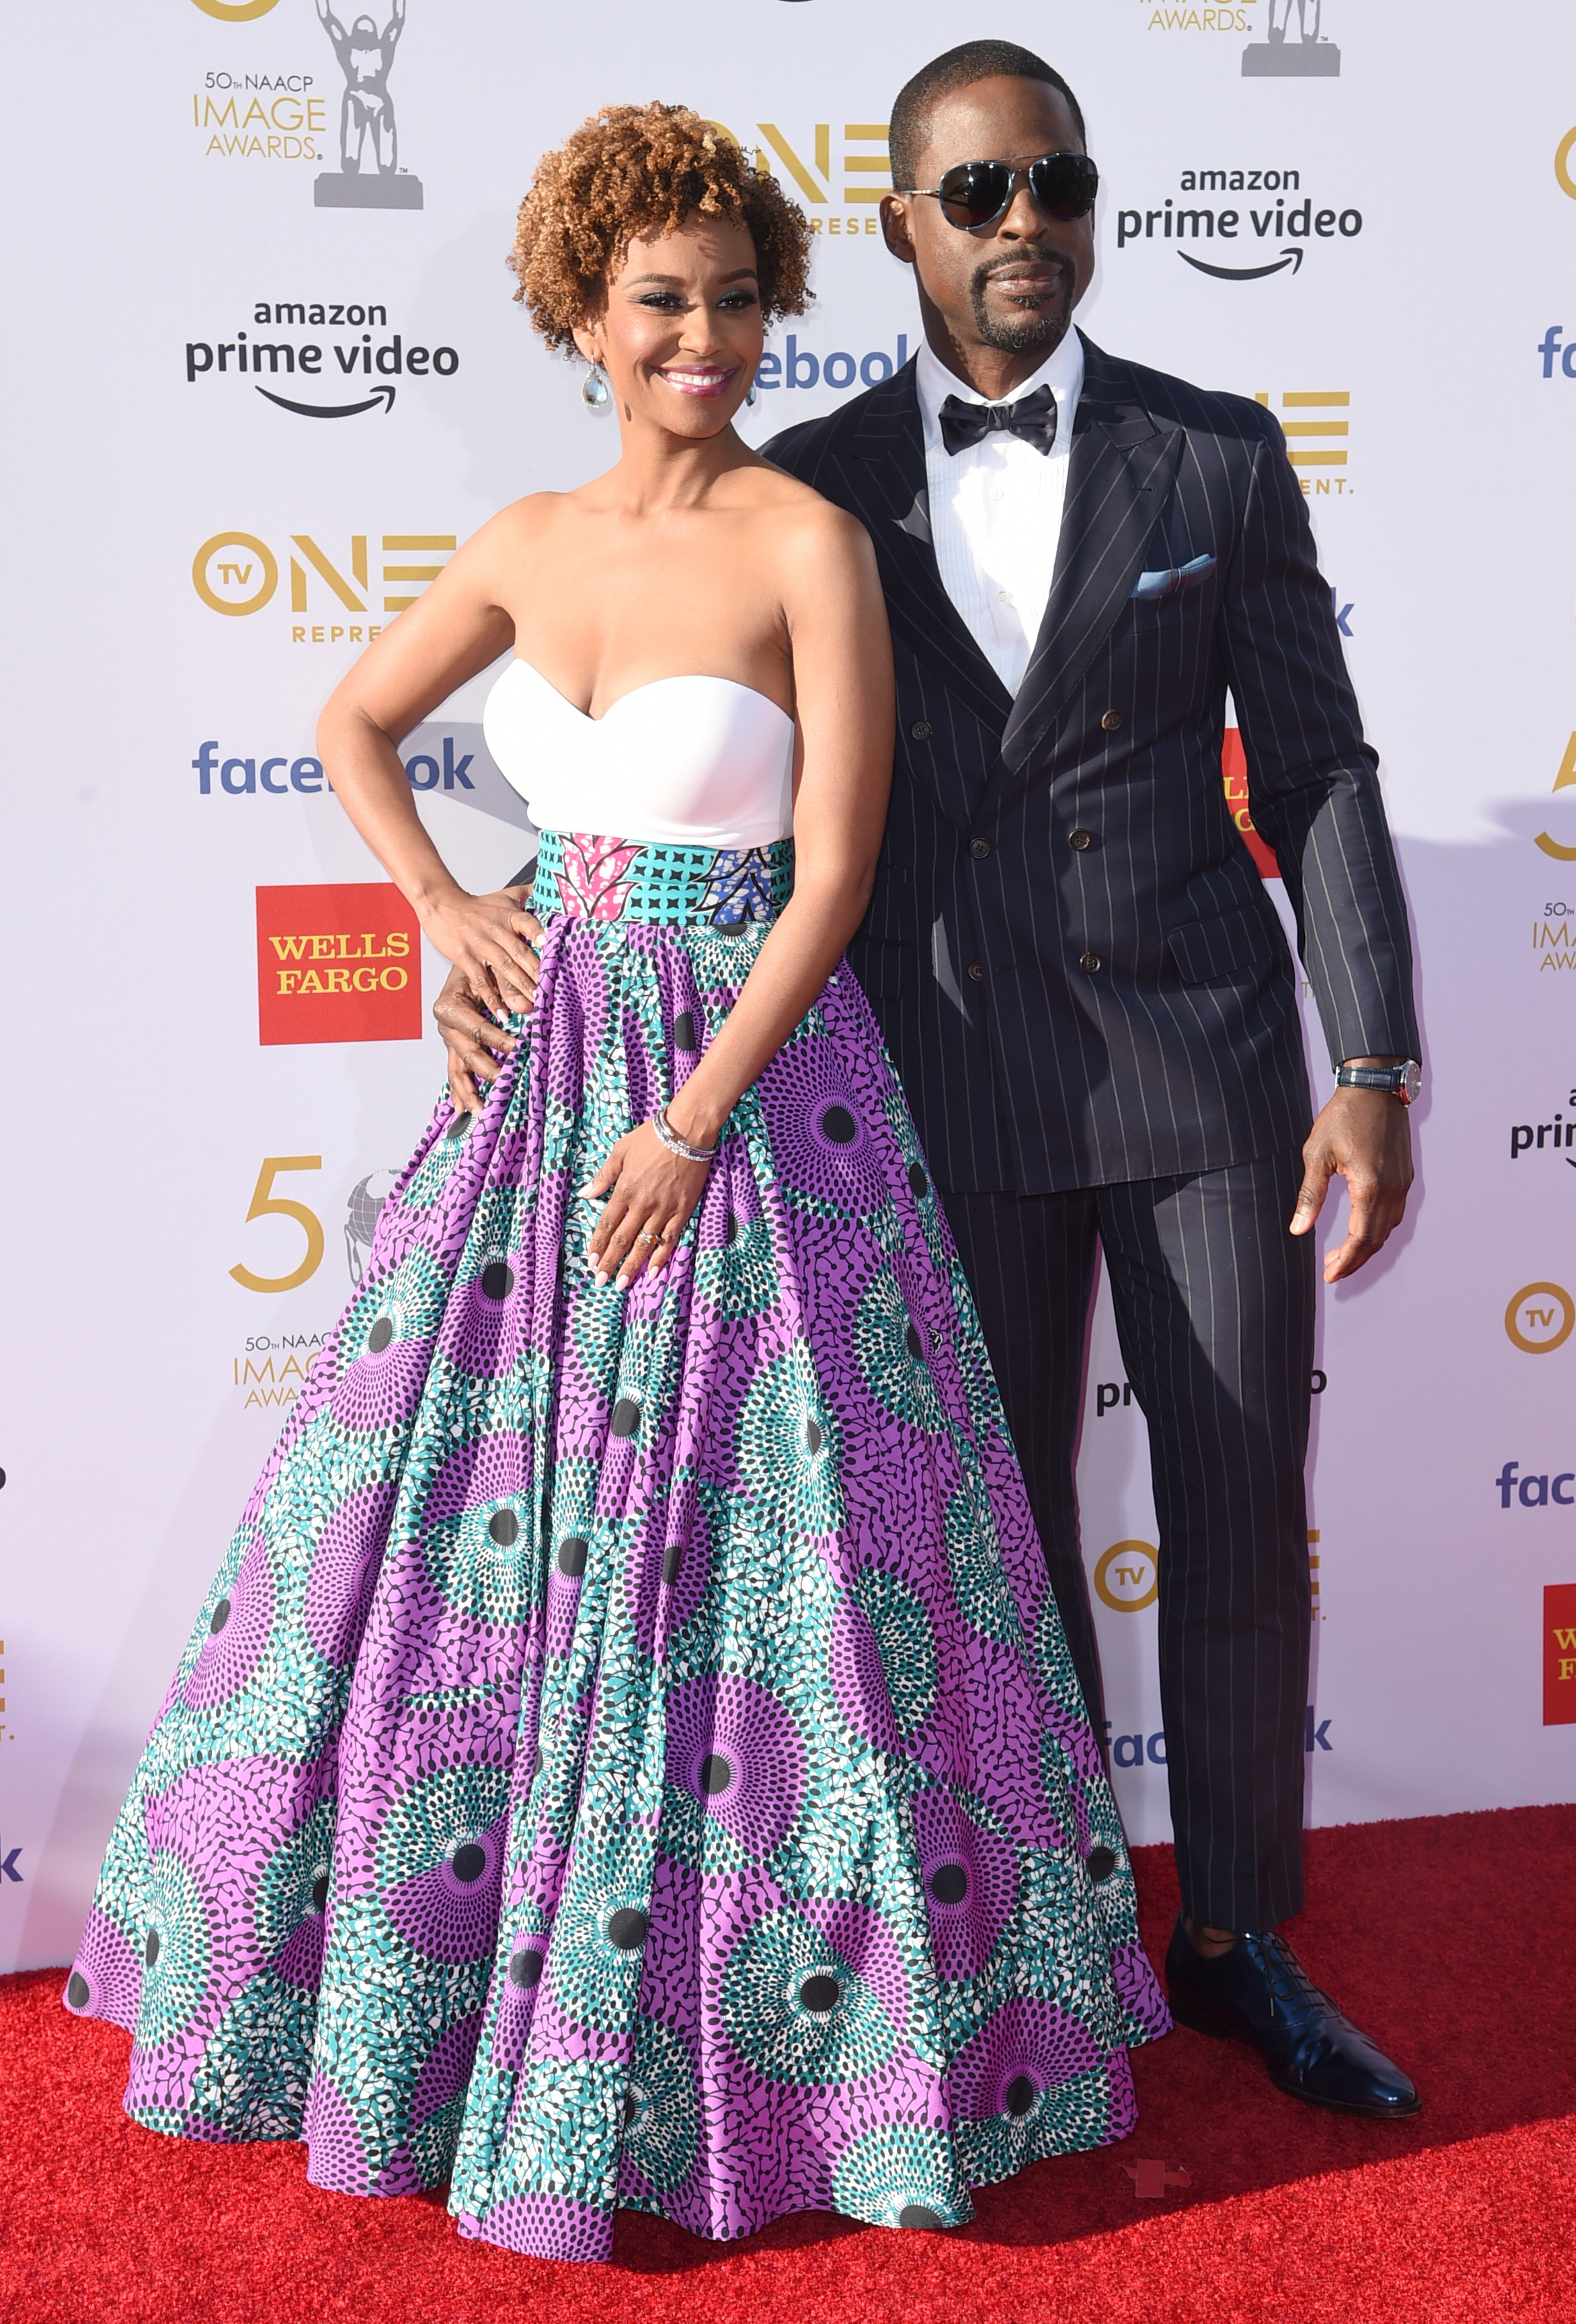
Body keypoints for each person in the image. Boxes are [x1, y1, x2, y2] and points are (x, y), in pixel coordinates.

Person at [65, 102, 1166, 2263]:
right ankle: (447, 2023)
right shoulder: (522, 537)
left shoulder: (804, 543)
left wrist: (687, 1128)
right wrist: (445, 915)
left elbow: (832, 873)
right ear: (585, 312)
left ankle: (783, 2063)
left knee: (777, 1574)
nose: (707, 338)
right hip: (541, 1081)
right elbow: (354, 726)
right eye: (664, 300)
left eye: (739, 297)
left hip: (751, 1100)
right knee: (461, 1551)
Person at [443, 43, 1422, 2120]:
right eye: (975, 192)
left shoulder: (1219, 455)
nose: (1024, 225)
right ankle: (1042, 1953)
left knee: (1242, 1512)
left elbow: (1322, 770)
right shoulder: (802, 484)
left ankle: (1239, 1936)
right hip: (934, 1093)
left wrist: (1379, 1059)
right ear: (898, 221)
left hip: (1212, 1071)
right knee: (986, 1547)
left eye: (1056, 184)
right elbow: (669, 755)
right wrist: (500, 931)